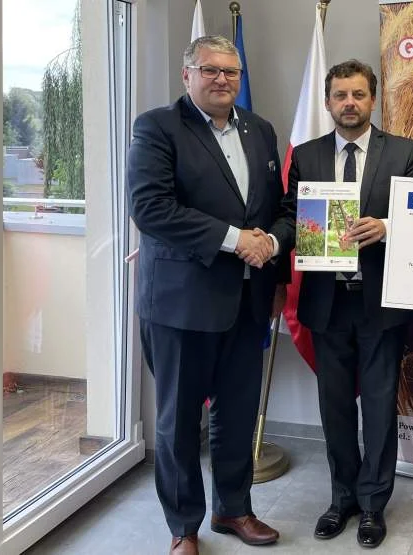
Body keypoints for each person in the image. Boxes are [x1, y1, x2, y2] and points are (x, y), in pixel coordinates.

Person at [126, 35, 294, 555]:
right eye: (210, 70)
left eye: (231, 71)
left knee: (238, 414)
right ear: (187, 75)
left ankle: (233, 508)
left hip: (248, 300)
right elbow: (150, 209)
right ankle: (184, 528)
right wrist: (234, 239)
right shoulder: (157, 127)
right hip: (182, 304)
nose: (222, 79)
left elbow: (278, 208)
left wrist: (272, 246)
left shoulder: (259, 130)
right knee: (178, 422)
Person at [287, 59, 413, 549]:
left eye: (359, 94)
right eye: (341, 95)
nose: (350, 103)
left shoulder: (404, 151)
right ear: (328, 102)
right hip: (327, 304)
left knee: (380, 408)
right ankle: (341, 498)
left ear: (373, 99)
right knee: (336, 408)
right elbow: (289, 216)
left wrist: (387, 227)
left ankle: (372, 505)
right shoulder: (305, 156)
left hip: (379, 302)